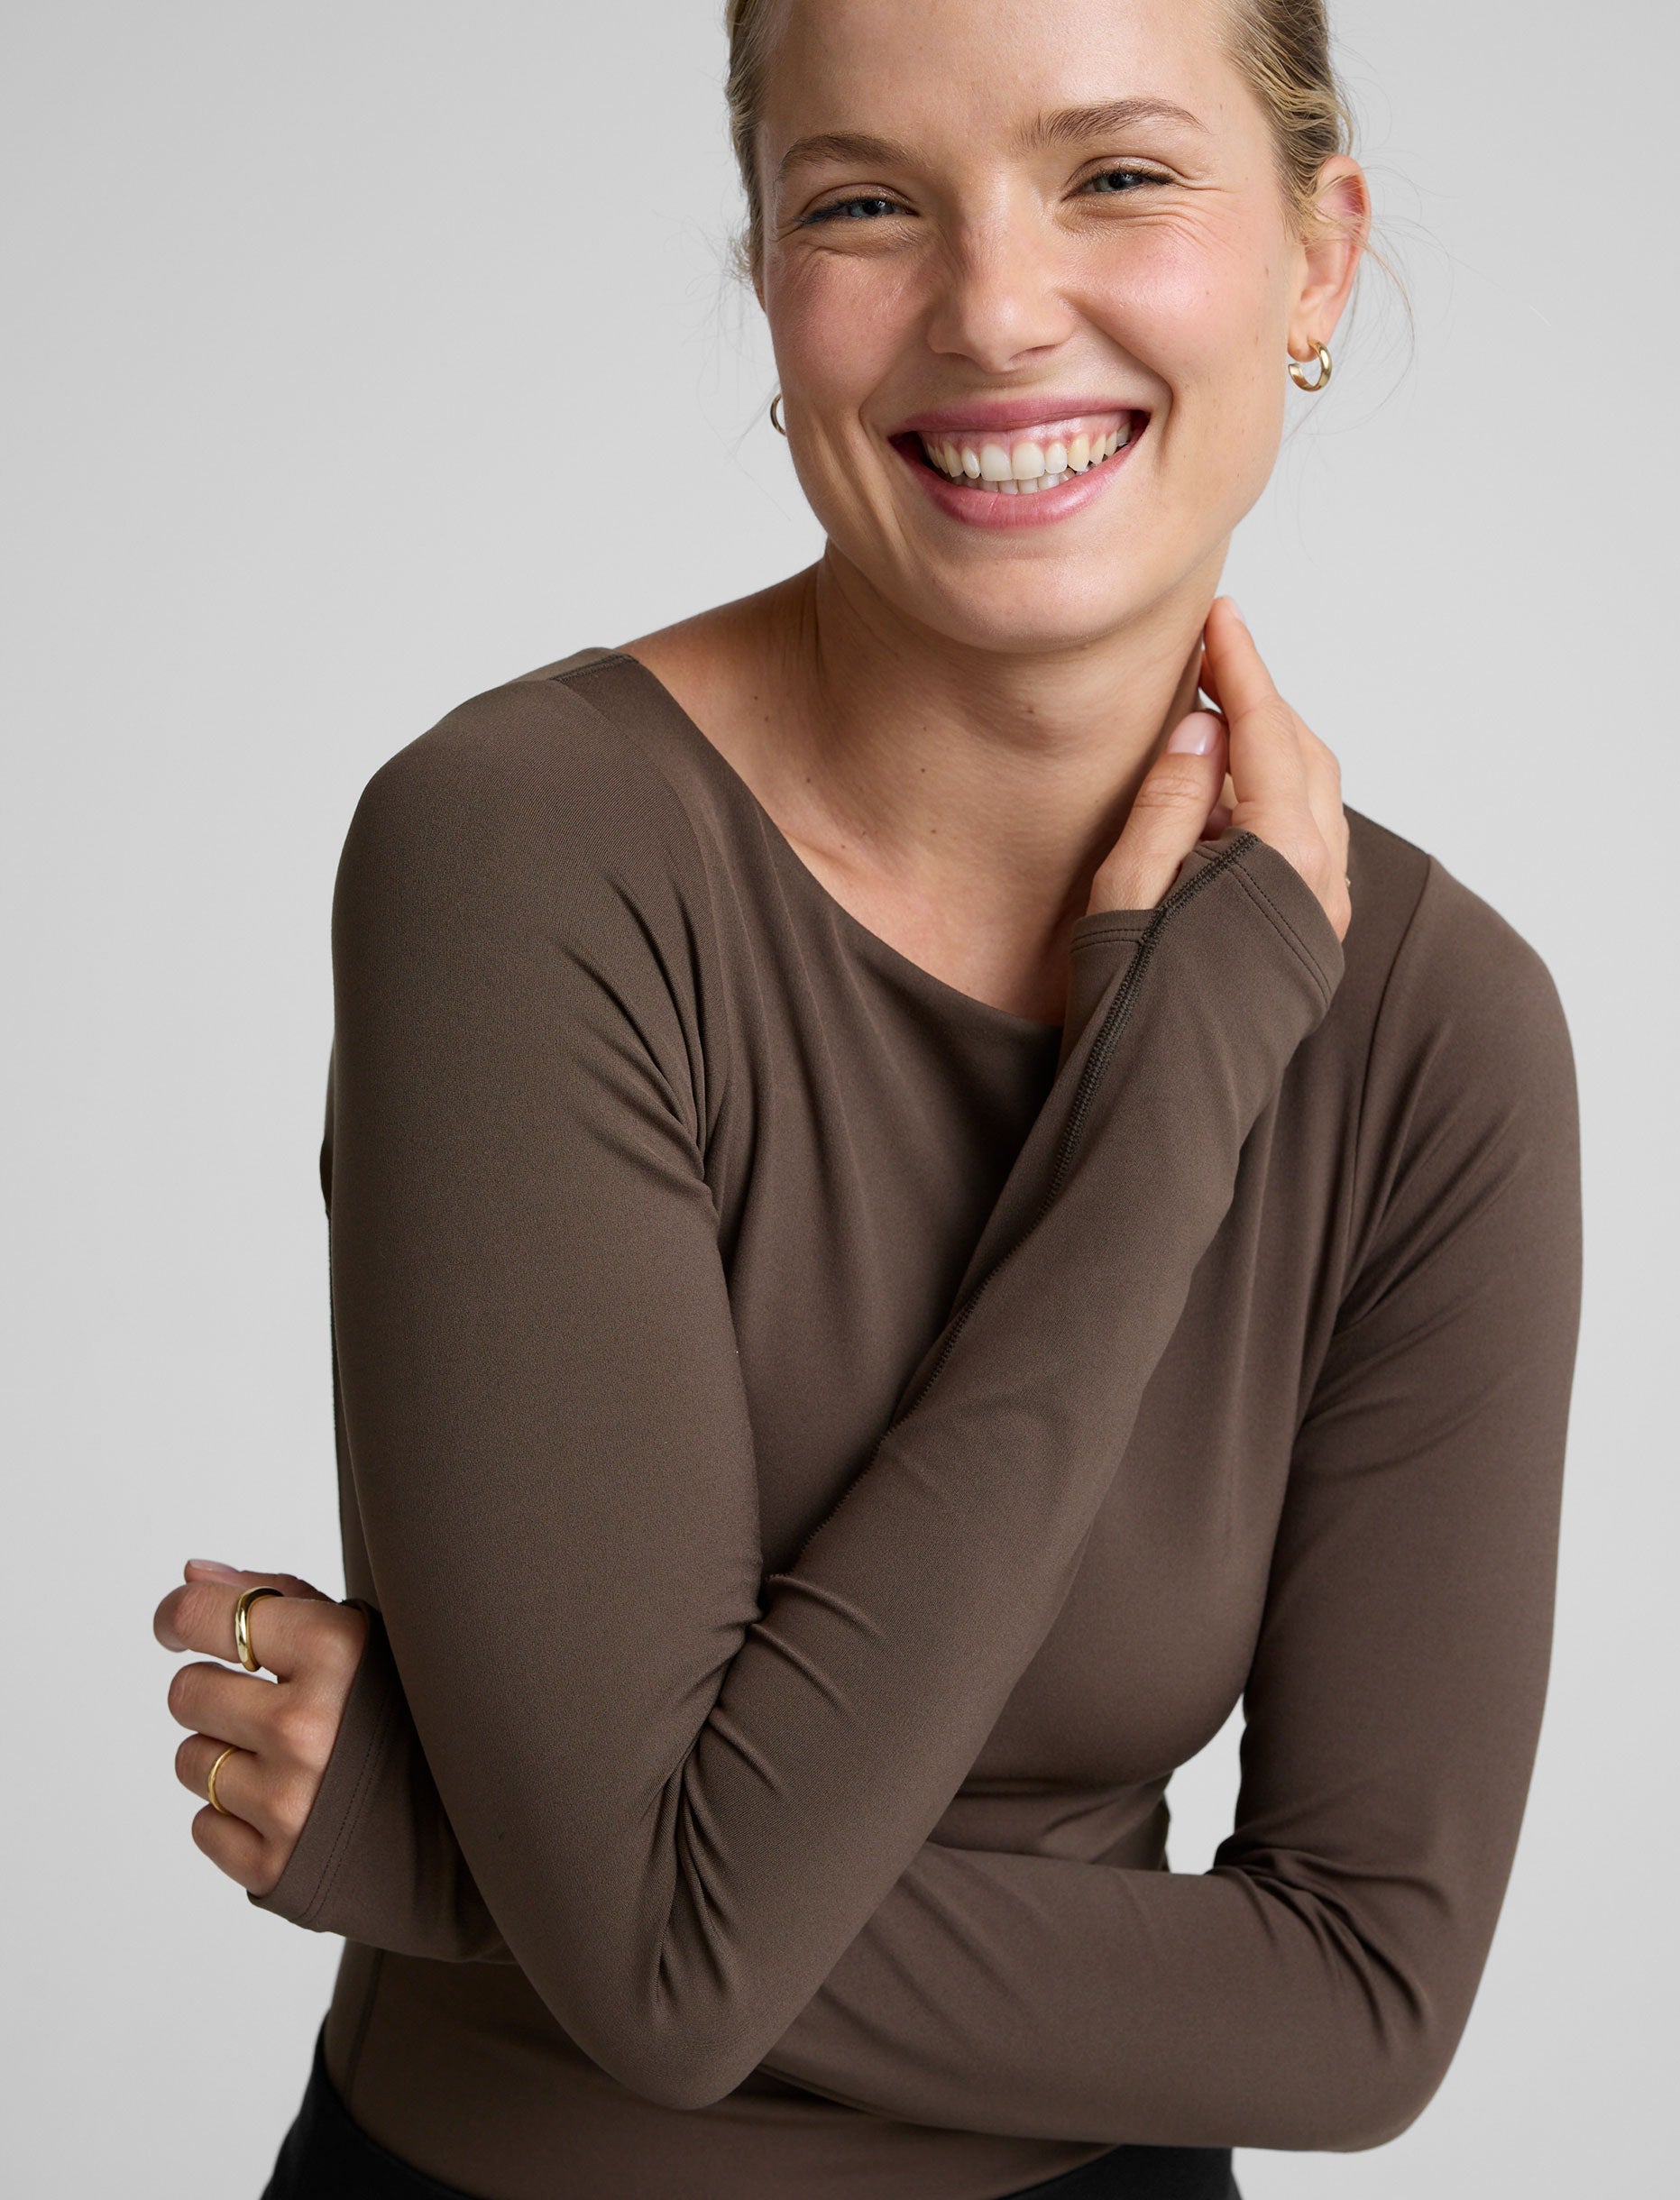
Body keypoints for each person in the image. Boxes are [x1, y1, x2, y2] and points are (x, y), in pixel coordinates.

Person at [150, 2, 1584, 2195]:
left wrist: (486, 1871)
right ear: (766, 271)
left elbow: (1361, 2004)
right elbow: (661, 1962)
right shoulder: (527, 852)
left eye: (1116, 173)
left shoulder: (1437, 1034)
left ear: (1316, 257)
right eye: (866, 203)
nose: (996, 306)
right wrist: (1174, 1072)